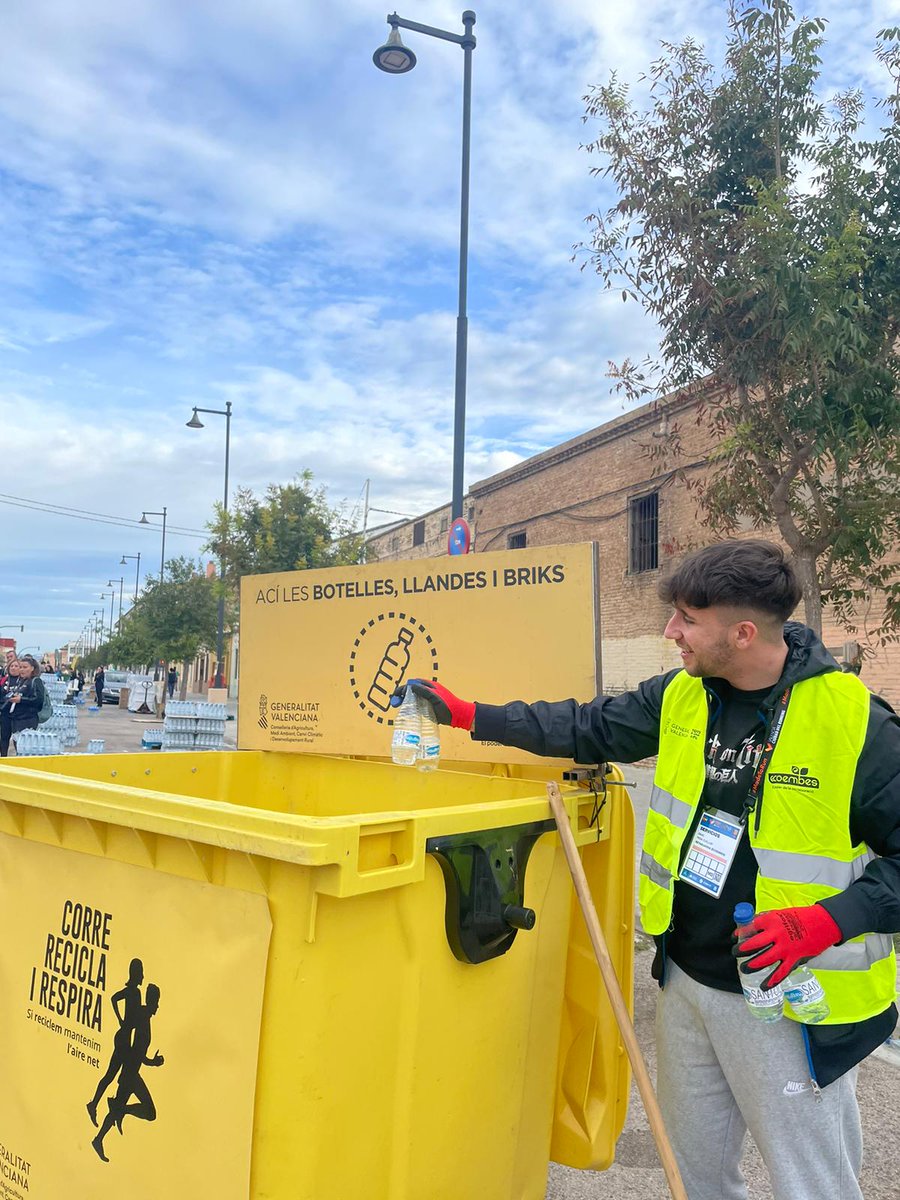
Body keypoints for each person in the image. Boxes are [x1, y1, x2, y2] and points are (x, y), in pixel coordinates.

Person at [393, 540, 900, 1200]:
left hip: (789, 1005)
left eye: (687, 618)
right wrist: (469, 716)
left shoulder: (858, 723)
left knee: (812, 1188)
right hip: (688, 982)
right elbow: (588, 726)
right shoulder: (685, 696)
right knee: (693, 1178)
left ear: (742, 633)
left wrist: (830, 920)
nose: (670, 632)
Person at [0, 655, 47, 756]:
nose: (21, 670)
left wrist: (21, 700)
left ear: (32, 668)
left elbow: (38, 700)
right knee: (17, 746)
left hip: (28, 719)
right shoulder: (22, 681)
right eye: (21, 667)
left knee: (24, 749)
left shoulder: (36, 681)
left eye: (25, 667)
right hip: (16, 718)